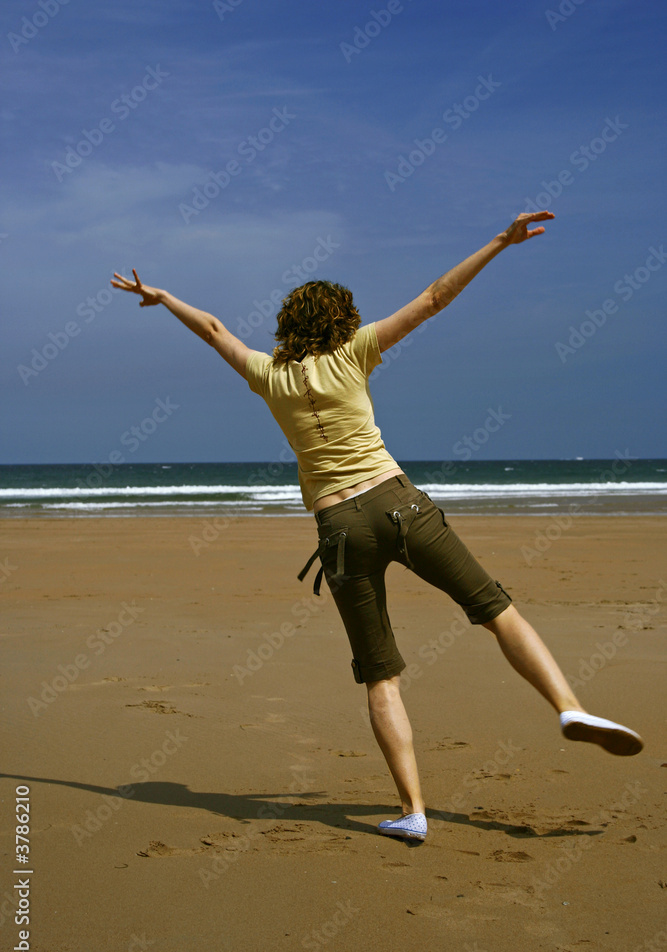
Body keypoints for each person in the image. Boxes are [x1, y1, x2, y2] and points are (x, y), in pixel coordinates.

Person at [111, 211, 643, 843]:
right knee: (495, 609)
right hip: (399, 505)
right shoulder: (356, 352)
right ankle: (569, 707)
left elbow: (215, 331)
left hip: (339, 529)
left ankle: (413, 810)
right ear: (341, 320)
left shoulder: (269, 376)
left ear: (288, 325)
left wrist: (163, 296)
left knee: (379, 671)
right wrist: (502, 240)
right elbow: (434, 299)